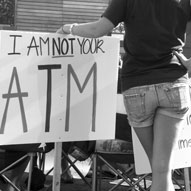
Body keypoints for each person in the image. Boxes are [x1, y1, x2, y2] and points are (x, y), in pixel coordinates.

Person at [56, 1, 191, 191]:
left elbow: (98, 29)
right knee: (162, 169)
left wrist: (69, 28)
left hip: (137, 85)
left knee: (158, 168)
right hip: (173, 83)